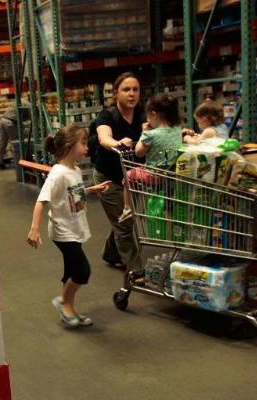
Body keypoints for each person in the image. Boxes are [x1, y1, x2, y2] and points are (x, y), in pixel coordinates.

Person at [26, 125, 109, 327]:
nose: (87, 147)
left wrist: (91, 190)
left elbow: (73, 194)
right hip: (63, 231)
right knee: (82, 271)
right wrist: (34, 228)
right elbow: (41, 200)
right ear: (70, 146)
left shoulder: (75, 170)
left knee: (71, 271)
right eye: (83, 143)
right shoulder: (58, 174)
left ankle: (68, 309)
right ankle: (63, 301)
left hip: (75, 227)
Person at [94, 72, 144, 278]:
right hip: (109, 178)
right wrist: (116, 143)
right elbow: (103, 136)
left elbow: (161, 128)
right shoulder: (108, 116)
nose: (131, 94)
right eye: (126, 89)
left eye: (135, 89)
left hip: (133, 177)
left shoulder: (143, 114)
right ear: (116, 93)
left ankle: (110, 252)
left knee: (121, 220)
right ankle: (136, 270)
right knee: (125, 223)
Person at [121, 93, 183, 221]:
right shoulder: (177, 129)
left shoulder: (151, 134)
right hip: (171, 173)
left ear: (153, 114)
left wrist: (145, 133)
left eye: (148, 116)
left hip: (153, 175)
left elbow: (139, 152)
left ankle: (127, 208)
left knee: (128, 176)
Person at [0, 100, 27, 169]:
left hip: (3, 120)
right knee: (15, 142)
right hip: (10, 122)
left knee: (2, 142)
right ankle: (17, 161)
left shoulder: (20, 101)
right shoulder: (28, 106)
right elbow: (29, 119)